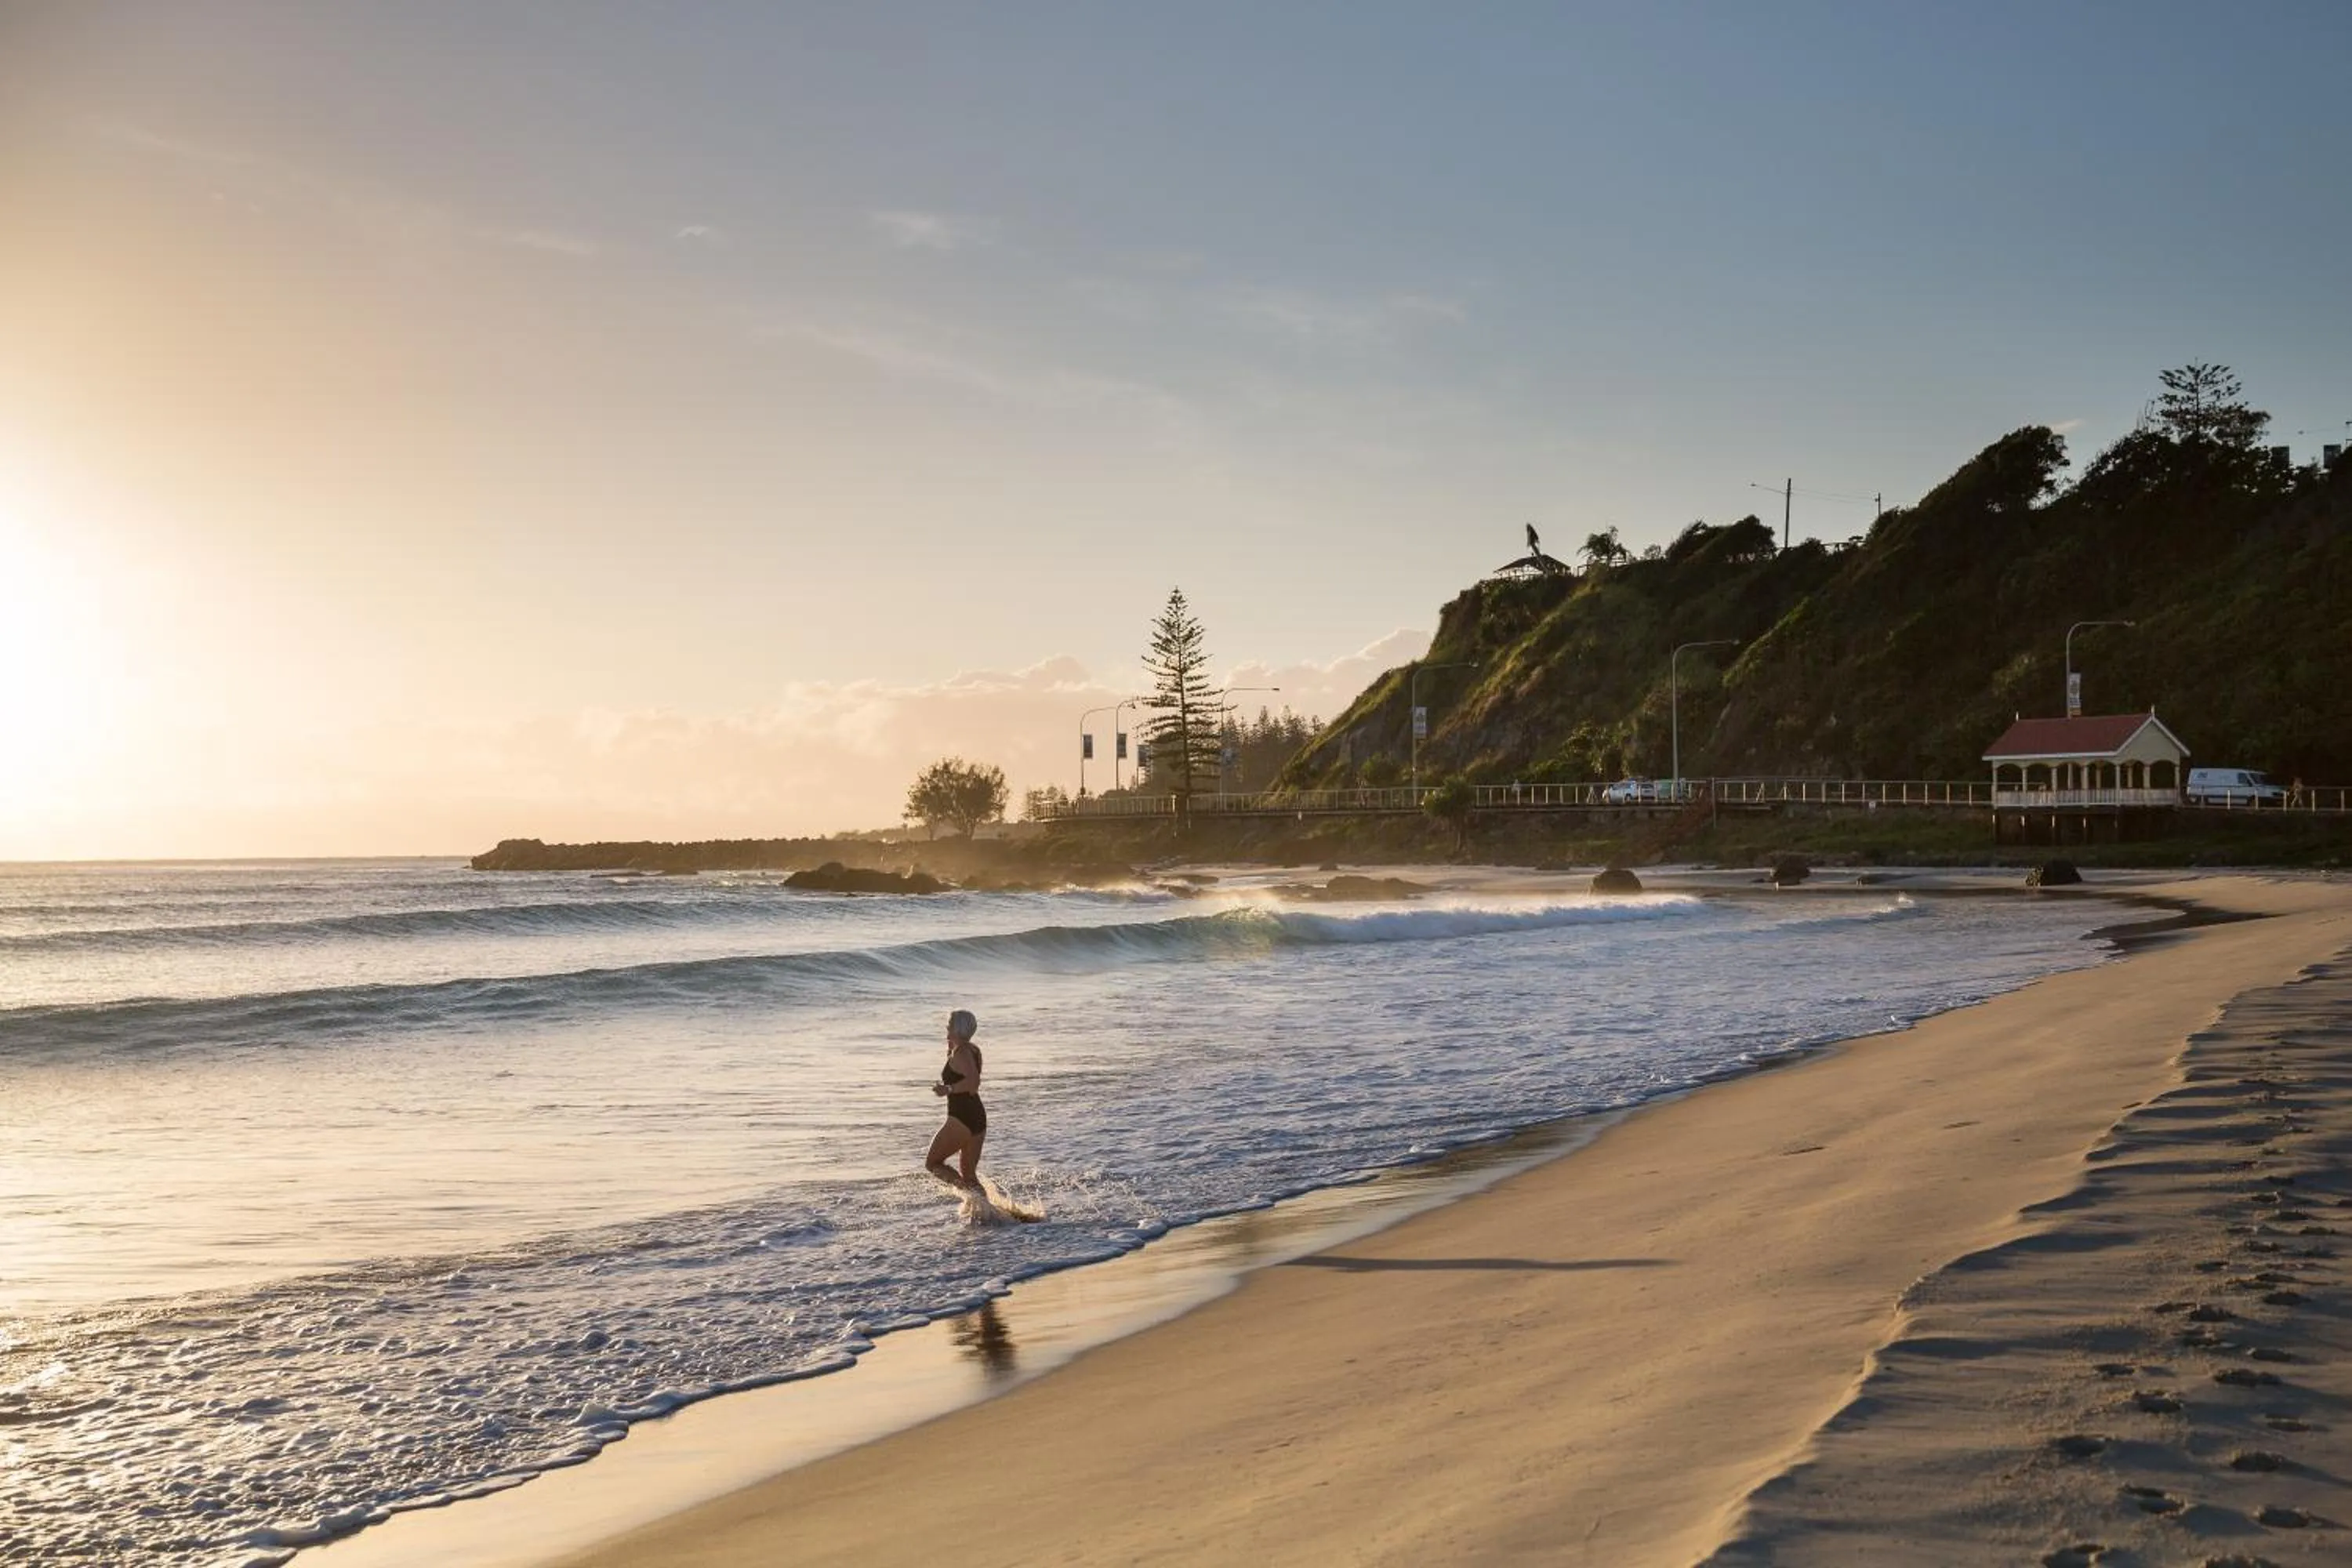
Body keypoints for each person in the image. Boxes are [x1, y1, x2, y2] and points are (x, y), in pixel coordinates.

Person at [926, 1008, 985, 1191]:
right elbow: (961, 1073)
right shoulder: (972, 1049)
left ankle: (971, 1197)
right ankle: (985, 1207)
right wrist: (950, 1044)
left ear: (957, 1028)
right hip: (976, 1115)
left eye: (949, 1024)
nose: (946, 1027)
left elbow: (973, 1083)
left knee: (933, 1163)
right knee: (969, 1175)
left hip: (962, 1117)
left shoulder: (962, 1053)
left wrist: (948, 1089)